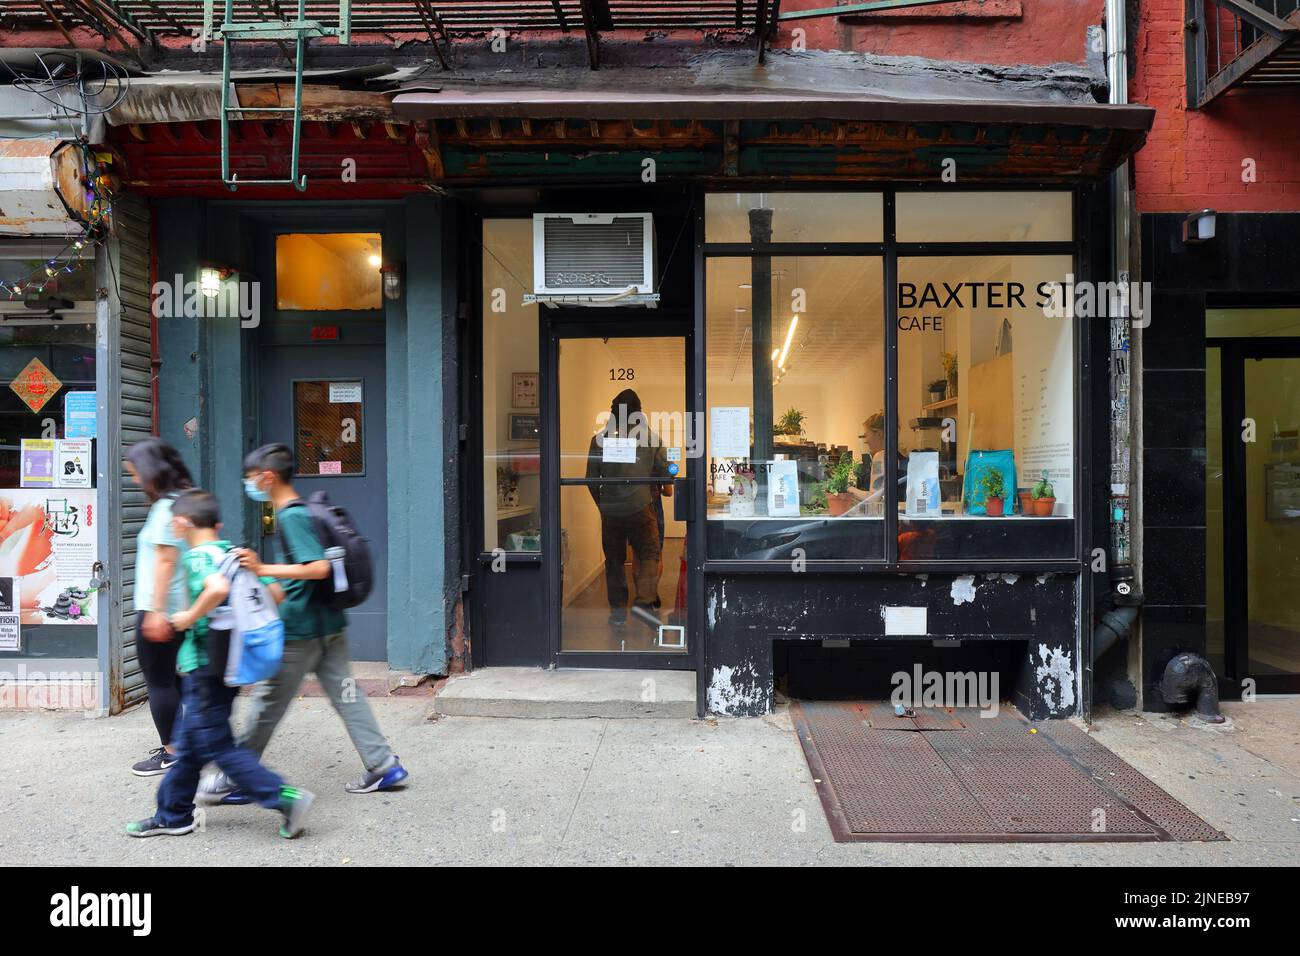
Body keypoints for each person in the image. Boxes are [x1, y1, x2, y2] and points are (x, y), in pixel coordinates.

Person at [200, 443, 407, 803]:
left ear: (267, 477)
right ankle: (383, 765)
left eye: (250, 479)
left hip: (301, 630)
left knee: (267, 702)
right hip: (328, 624)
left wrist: (262, 568)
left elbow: (318, 567)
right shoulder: (300, 511)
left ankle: (237, 777)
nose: (248, 486)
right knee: (347, 695)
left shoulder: (291, 516)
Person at [126, 490, 314, 839]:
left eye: (173, 522)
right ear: (218, 524)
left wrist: (187, 617)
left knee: (219, 749)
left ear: (182, 524)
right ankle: (173, 814)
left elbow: (215, 588)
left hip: (204, 665)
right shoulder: (233, 552)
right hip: (228, 666)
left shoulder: (197, 558)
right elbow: (276, 594)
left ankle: (285, 798)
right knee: (191, 746)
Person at [124, 439, 194, 776]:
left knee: (160, 681)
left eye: (136, 473)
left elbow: (166, 561)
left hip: (161, 608)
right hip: (177, 608)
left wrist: (154, 612)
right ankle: (186, 744)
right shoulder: (185, 501)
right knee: (174, 679)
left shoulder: (168, 508)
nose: (136, 480)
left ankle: (173, 752)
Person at [585, 390, 671, 630]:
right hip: (641, 508)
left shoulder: (599, 439)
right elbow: (665, 474)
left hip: (611, 511)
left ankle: (618, 614)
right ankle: (643, 601)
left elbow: (590, 479)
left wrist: (604, 505)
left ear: (613, 410)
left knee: (614, 561)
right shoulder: (651, 438)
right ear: (639, 410)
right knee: (650, 554)